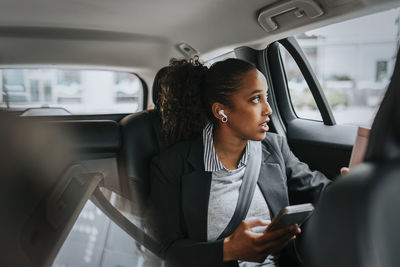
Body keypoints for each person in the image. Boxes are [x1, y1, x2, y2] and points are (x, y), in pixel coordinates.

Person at [146, 57, 332, 267]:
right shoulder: (171, 166)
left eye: (266, 97)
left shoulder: (274, 147)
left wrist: (352, 188)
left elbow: (319, 189)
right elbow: (165, 250)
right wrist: (227, 250)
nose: (268, 109)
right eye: (255, 99)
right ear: (221, 111)